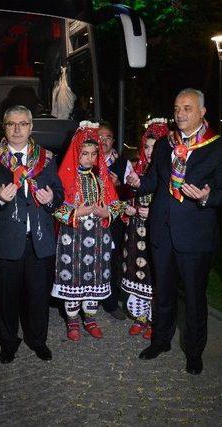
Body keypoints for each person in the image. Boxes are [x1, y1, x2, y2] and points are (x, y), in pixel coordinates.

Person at [127, 88, 222, 375]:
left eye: (187, 108)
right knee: (163, 291)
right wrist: (137, 182)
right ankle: (160, 341)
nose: (180, 114)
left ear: (202, 111)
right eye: (176, 108)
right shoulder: (164, 144)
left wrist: (205, 197)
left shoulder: (218, 146)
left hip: (196, 234)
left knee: (196, 298)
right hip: (161, 231)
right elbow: (153, 182)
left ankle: (194, 352)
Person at [0, 105, 64, 364]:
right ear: (4, 127)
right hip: (6, 244)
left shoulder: (46, 158)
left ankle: (38, 341)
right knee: (6, 300)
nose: (17, 129)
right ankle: (8, 343)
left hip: (39, 242)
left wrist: (51, 200)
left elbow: (59, 195)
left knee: (39, 297)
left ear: (30, 127)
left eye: (23, 124)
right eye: (12, 124)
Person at [52, 121, 131, 341]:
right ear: (76, 153)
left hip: (98, 237)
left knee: (95, 276)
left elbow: (116, 204)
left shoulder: (101, 178)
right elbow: (56, 208)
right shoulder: (65, 177)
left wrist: (107, 213)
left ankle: (90, 318)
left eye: (93, 154)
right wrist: (76, 211)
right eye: (84, 153)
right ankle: (73, 320)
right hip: (73, 237)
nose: (89, 158)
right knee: (74, 277)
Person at [121, 118, 169, 339]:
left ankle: (154, 320)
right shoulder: (138, 169)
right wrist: (128, 208)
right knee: (136, 272)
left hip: (156, 232)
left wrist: (153, 214)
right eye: (148, 147)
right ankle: (140, 317)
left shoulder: (169, 174)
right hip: (135, 231)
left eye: (156, 147)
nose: (150, 153)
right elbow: (127, 198)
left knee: (153, 275)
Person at [98, 121, 131, 320]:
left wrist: (119, 186)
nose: (103, 140)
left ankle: (111, 301)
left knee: (114, 258)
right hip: (91, 218)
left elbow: (131, 192)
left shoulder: (123, 163)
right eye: (99, 136)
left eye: (107, 137)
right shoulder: (87, 159)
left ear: (113, 140)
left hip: (115, 219)